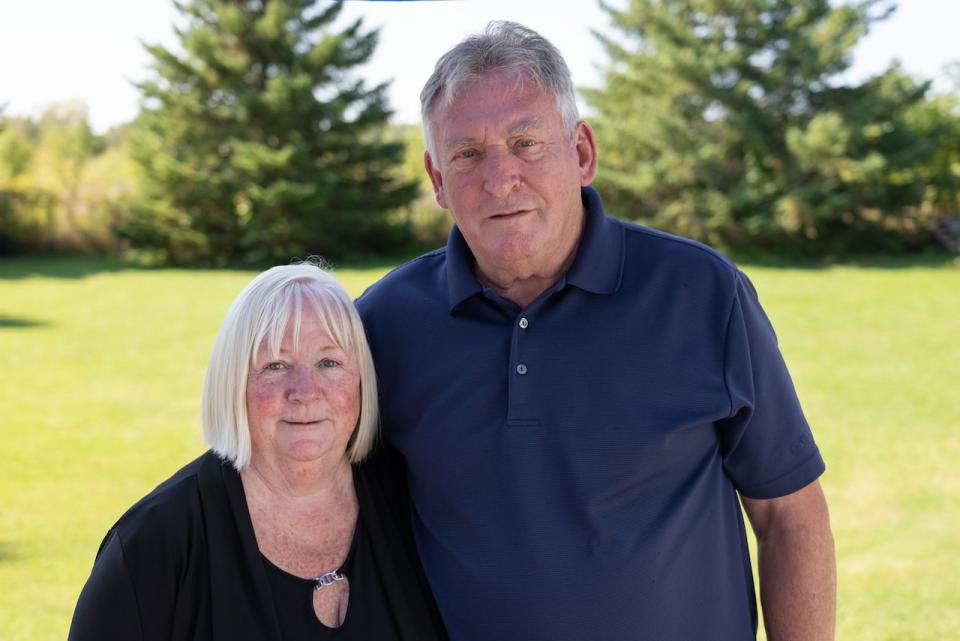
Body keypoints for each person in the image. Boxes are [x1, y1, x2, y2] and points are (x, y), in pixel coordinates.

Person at [357, 21, 836, 641]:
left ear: (581, 152)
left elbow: (790, 515)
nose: (501, 179)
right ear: (437, 180)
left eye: (526, 142)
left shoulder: (701, 293)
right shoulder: (383, 324)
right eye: (467, 153)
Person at [68, 263, 447, 641]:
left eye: (329, 362)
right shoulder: (153, 545)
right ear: (232, 382)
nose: (305, 391)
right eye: (275, 365)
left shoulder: (414, 504)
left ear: (362, 379)